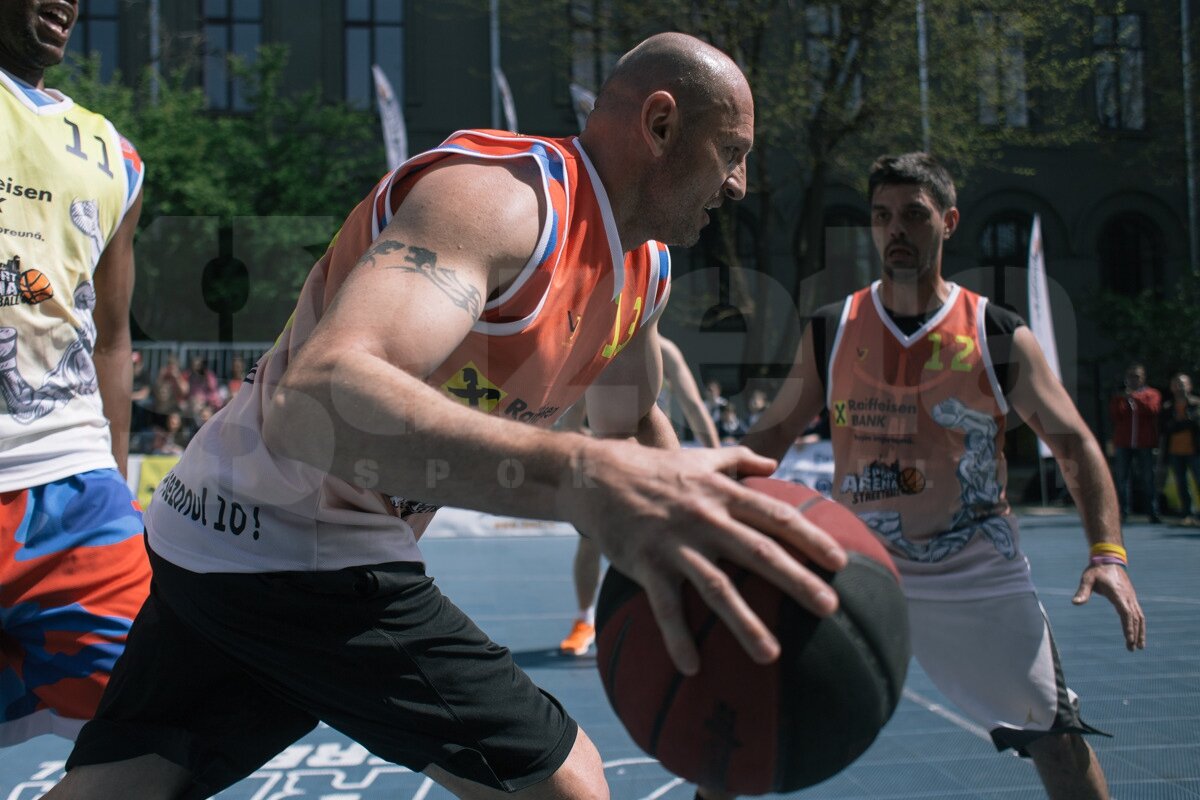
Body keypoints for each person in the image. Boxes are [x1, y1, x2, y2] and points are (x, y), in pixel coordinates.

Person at [49, 33, 848, 800]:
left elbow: (632, 427)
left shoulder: (645, 270)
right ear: (663, 125)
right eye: (731, 152)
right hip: (302, 544)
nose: (740, 184)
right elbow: (315, 401)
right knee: (568, 787)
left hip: (214, 529)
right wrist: (584, 478)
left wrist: (717, 555)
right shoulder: (502, 203)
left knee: (121, 787)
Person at [743, 153, 1145, 800]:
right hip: (862, 564)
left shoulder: (996, 333)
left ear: (949, 222)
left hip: (973, 569)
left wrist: (1109, 555)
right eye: (881, 216)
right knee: (748, 702)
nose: (895, 230)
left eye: (913, 214)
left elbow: (1075, 445)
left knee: (1056, 741)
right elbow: (769, 438)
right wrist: (701, 506)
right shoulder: (833, 329)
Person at [0, 0, 151, 745]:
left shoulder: (114, 154)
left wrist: (116, 481)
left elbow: (112, 338)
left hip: (73, 490)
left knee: (157, 725)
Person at [558, 336, 722, 656]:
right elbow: (574, 414)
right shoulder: (601, 339)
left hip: (655, 458)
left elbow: (693, 406)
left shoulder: (666, 350)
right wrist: (578, 447)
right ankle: (584, 620)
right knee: (590, 541)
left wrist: (719, 459)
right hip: (609, 458)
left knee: (678, 536)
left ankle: (688, 611)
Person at [1109, 363, 1162, 523]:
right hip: (1124, 443)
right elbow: (1115, 415)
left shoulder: (1151, 394)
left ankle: (1152, 512)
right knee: (1122, 478)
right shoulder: (1121, 397)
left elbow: (1152, 409)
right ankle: (1124, 512)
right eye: (1130, 376)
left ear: (1143, 378)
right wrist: (1123, 399)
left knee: (1148, 477)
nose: (1133, 380)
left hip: (1144, 443)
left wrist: (1135, 397)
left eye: (1137, 376)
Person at [1159, 372, 1200, 525]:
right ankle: (1187, 514)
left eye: (1182, 384)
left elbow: (1196, 424)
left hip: (1195, 450)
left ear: (1189, 386)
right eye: (1176, 384)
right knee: (1182, 484)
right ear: (1172, 388)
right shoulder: (1168, 407)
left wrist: (1179, 424)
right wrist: (1184, 423)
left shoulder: (1197, 404)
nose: (1179, 387)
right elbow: (1165, 428)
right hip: (1175, 451)